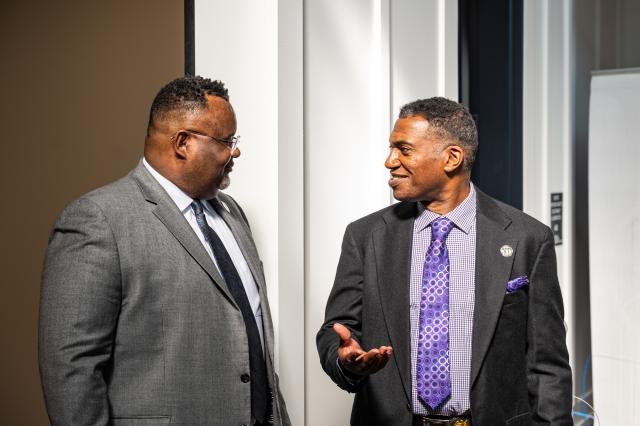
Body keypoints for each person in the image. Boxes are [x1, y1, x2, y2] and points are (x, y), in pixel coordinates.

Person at [39, 75, 290, 426]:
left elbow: (251, 338)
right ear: (183, 142)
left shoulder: (232, 214)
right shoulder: (98, 220)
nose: (235, 151)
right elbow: (71, 369)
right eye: (226, 140)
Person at [316, 97, 572, 425]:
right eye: (391, 148)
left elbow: (548, 366)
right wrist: (345, 361)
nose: (389, 161)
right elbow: (335, 330)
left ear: (451, 158)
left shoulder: (526, 239)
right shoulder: (366, 237)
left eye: (403, 149)